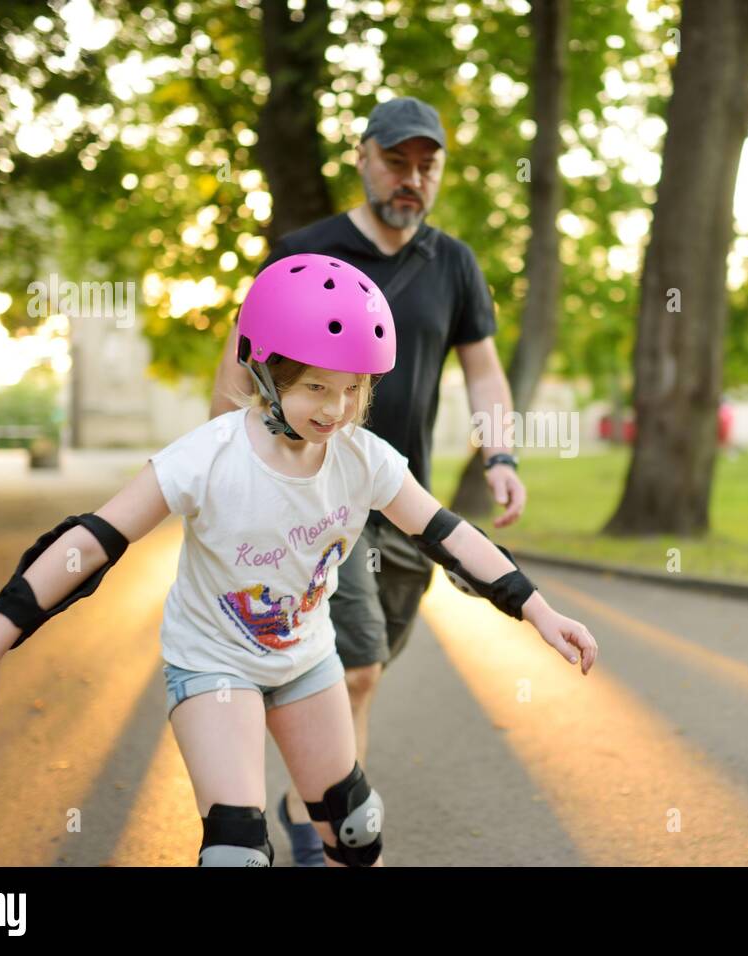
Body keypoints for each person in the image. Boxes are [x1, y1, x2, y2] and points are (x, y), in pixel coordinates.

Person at [0, 254, 598, 867]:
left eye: (353, 390)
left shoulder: (362, 459)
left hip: (306, 661)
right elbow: (89, 545)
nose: (336, 410)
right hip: (212, 664)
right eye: (315, 387)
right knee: (236, 850)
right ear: (266, 372)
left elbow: (450, 536)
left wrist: (538, 610)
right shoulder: (207, 458)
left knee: (353, 828)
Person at [209, 96, 526, 865]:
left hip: (400, 502)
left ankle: (299, 799)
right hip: (317, 495)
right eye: (397, 161)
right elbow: (236, 371)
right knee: (357, 663)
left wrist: (502, 454)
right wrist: (231, 465)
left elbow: (484, 372)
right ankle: (329, 824)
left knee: (365, 669)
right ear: (363, 157)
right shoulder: (305, 251)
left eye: (427, 165)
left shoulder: (453, 262)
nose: (411, 178)